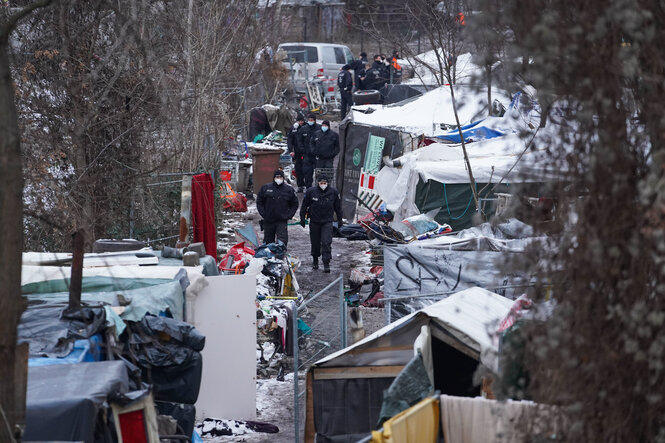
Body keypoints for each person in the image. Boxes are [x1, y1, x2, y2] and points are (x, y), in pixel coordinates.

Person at [300, 174, 343, 273]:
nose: (323, 185)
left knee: (326, 242)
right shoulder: (311, 192)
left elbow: (338, 208)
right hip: (314, 221)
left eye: (324, 183)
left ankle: (326, 262)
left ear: (328, 183)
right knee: (315, 242)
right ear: (318, 183)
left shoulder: (333, 193)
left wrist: (340, 220)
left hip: (327, 221)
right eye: (321, 183)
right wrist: (302, 218)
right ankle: (315, 259)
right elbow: (304, 205)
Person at [256, 169, 299, 246]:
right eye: (277, 177)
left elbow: (295, 204)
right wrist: (263, 213)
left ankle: (281, 256)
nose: (278, 179)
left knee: (282, 242)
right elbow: (259, 201)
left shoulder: (289, 190)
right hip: (269, 220)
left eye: (280, 177)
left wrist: (289, 215)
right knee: (268, 243)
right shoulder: (265, 188)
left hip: (282, 220)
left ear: (283, 178)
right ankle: (269, 256)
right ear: (274, 178)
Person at [297, 113, 320, 188]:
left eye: (312, 120)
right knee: (307, 173)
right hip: (307, 155)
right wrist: (303, 151)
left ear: (315, 120)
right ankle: (308, 189)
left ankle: (319, 188)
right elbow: (299, 141)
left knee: (319, 173)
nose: (310, 121)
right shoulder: (303, 129)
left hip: (317, 155)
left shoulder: (319, 128)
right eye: (309, 120)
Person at [288, 114, 306, 192]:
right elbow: (290, 140)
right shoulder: (293, 129)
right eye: (299, 121)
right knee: (298, 170)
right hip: (297, 152)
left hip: (306, 152)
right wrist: (291, 150)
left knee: (307, 170)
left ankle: (307, 185)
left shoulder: (306, 128)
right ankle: (300, 185)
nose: (301, 122)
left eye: (302, 121)